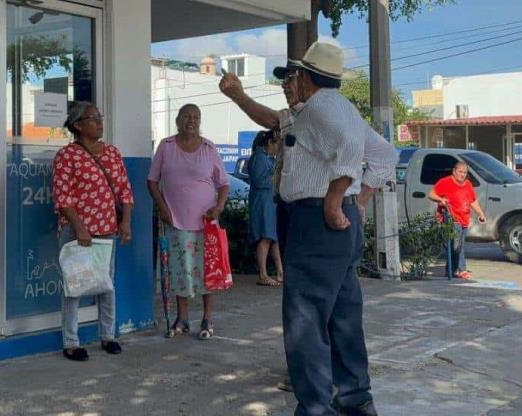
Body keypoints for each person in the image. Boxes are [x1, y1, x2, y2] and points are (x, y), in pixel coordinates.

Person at [220, 42, 398, 416]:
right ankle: (355, 400)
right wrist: (358, 201)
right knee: (344, 318)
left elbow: (350, 149)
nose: (287, 84)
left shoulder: (321, 111)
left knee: (306, 322)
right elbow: (384, 156)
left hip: (317, 222)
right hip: (333, 229)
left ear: (305, 77)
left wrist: (336, 199)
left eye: (290, 77)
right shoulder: (326, 110)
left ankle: (317, 408)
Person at [52, 101, 134, 362]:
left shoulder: (112, 153)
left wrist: (126, 222)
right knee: (73, 287)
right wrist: (80, 228)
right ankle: (71, 342)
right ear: (77, 125)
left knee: (105, 285)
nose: (99, 122)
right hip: (78, 233)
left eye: (100, 117)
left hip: (106, 231)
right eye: (92, 118)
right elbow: (63, 198)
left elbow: (125, 191)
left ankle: (108, 336)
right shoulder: (67, 156)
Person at [148, 104, 230, 340]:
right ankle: (182, 318)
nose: (191, 121)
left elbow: (223, 183)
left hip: (205, 220)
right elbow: (152, 181)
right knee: (179, 269)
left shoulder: (208, 147)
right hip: (174, 218)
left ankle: (207, 317)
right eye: (186, 116)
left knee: (207, 270)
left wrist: (219, 206)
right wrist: (162, 207)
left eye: (196, 117)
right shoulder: (167, 146)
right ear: (177, 120)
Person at [428, 161, 487, 280]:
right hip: (452, 219)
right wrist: (441, 199)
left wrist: (480, 214)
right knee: (457, 246)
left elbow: (473, 201)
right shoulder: (445, 182)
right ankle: (461, 269)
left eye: (465, 172)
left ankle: (450, 270)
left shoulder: (468, 184)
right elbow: (431, 194)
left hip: (464, 219)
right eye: (460, 172)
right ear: (454, 171)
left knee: (456, 246)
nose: (462, 174)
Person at [247, 130, 283, 287]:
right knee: (265, 236)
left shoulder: (265, 158)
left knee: (272, 236)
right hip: (262, 201)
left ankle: (280, 271)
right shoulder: (259, 158)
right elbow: (259, 180)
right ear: (269, 143)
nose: (278, 147)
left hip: (269, 200)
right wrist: (277, 179)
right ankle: (263, 274)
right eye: (276, 144)